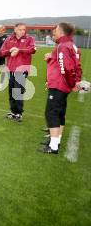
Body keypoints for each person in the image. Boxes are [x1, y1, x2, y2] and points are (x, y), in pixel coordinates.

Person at [40, 23, 82, 154]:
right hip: (62, 85)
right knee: (60, 113)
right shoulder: (72, 45)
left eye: (56, 30)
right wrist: (76, 81)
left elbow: (67, 68)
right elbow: (76, 66)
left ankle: (53, 147)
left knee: (51, 113)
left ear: (62, 32)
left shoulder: (63, 46)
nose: (54, 32)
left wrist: (72, 83)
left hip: (60, 85)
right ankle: (56, 141)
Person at [0, 23, 36, 122]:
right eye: (20, 29)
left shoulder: (29, 39)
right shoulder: (9, 39)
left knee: (18, 91)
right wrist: (9, 51)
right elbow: (1, 52)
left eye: (24, 29)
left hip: (22, 69)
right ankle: (13, 112)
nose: (22, 31)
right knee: (11, 91)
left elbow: (32, 49)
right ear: (15, 29)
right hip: (11, 69)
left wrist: (19, 50)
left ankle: (19, 113)